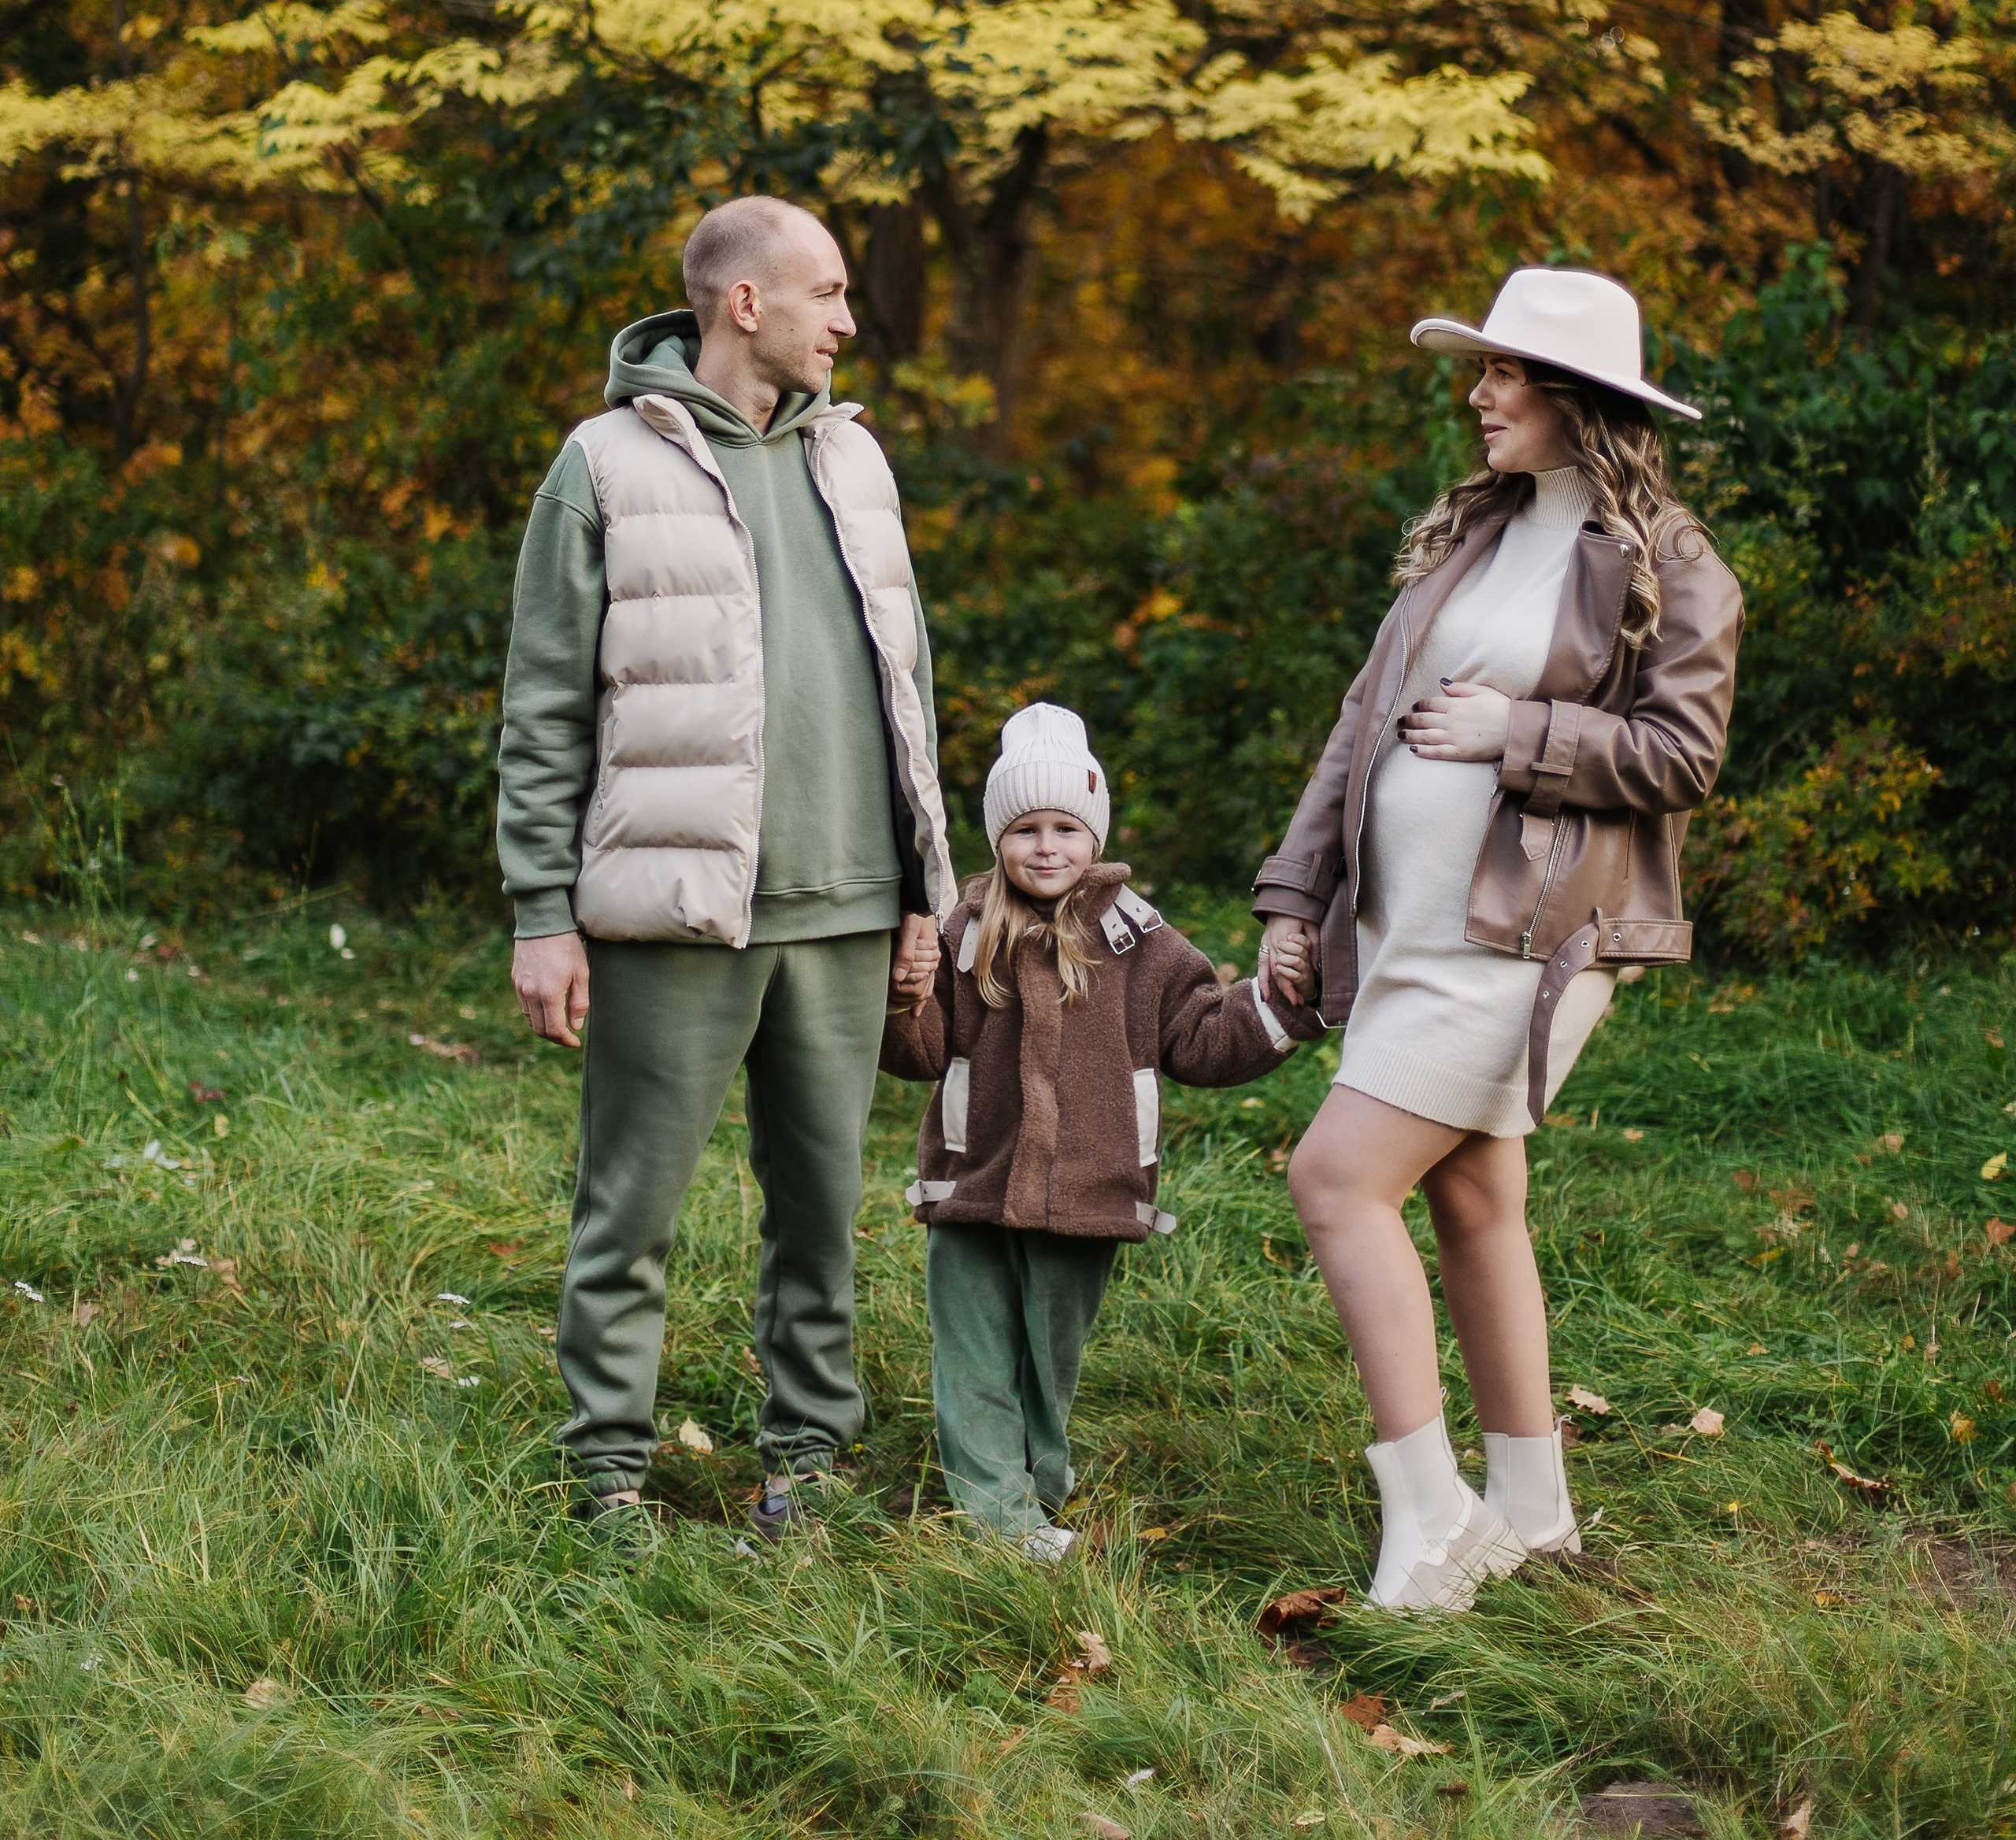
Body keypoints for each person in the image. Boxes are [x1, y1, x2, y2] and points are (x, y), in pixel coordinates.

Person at [1254, 268, 1742, 1612]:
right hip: (1406, 923)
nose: (1478, 396)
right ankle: (1532, 1509)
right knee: (1475, 1198)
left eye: (1505, 375)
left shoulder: (1677, 569)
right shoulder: (1479, 532)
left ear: (1576, 399)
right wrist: (1295, 897)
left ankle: (1429, 1521)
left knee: (1338, 1179)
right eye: (1481, 373)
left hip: (1524, 943)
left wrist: (1512, 735)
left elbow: (1682, 757)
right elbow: (1366, 721)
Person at [496, 195, 955, 1550]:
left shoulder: (857, 462)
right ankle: (607, 1480)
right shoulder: (604, 466)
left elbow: (907, 689)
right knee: (626, 1214)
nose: (849, 320)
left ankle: (804, 1464)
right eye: (827, 292)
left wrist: (927, 893)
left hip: (849, 907)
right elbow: (543, 710)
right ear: (744, 302)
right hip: (675, 911)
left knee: (820, 1221)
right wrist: (542, 913)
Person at [883, 702, 1318, 1558]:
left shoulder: (1140, 942)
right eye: (1026, 830)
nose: (1046, 848)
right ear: (997, 839)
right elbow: (923, 1052)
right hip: (974, 1179)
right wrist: (906, 989)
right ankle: (997, 1517)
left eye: (1066, 828)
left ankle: (1034, 1488)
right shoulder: (963, 934)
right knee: (972, 1352)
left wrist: (1277, 1001)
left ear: (1095, 835)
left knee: (1049, 1359)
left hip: (1090, 1188)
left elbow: (1200, 1037)